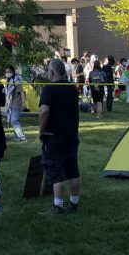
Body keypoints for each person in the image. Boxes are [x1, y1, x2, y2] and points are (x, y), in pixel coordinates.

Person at [39, 58, 79, 214]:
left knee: (57, 172)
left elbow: (44, 111)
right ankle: (74, 203)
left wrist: (41, 130)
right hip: (71, 136)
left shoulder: (49, 89)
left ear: (52, 72)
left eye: (48, 69)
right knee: (73, 170)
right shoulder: (72, 88)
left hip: (54, 136)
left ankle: (58, 206)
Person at [4, 64, 26, 141]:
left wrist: (24, 103)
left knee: (13, 121)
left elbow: (22, 92)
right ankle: (17, 137)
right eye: (6, 72)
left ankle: (22, 137)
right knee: (16, 120)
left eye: (9, 71)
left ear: (13, 72)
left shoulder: (17, 80)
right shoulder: (8, 80)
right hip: (11, 104)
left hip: (17, 104)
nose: (7, 73)